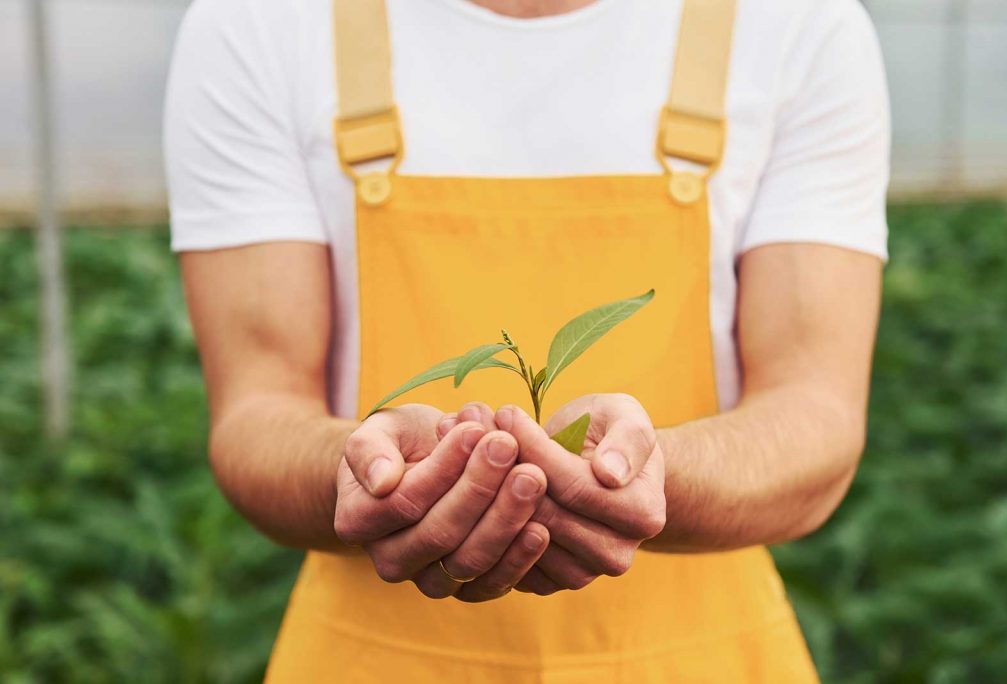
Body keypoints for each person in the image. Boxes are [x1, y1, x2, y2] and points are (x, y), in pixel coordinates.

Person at [164, 0, 890, 680]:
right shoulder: (261, 23)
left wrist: (649, 474)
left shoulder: (795, 23)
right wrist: (374, 474)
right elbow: (256, 414)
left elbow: (815, 417)